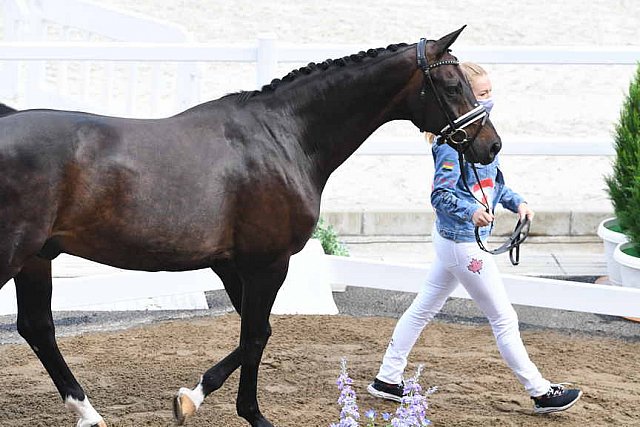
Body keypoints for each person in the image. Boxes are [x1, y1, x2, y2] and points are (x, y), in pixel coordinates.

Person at [367, 62, 582, 414]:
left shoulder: (478, 133)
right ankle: (540, 391)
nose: (487, 101)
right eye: (481, 95)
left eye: (488, 94)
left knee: (422, 309)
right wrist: (470, 212)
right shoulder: (451, 146)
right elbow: (440, 196)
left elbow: (493, 183)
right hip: (463, 243)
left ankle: (387, 379)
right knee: (504, 319)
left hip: (457, 243)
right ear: (464, 97)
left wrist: (517, 202)